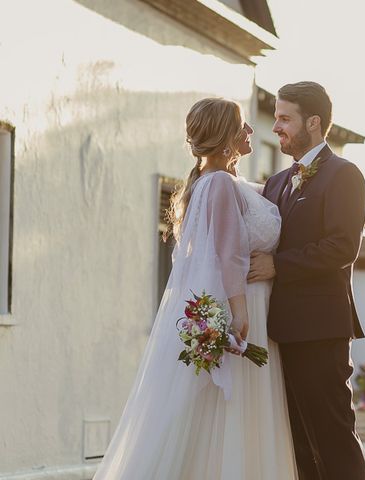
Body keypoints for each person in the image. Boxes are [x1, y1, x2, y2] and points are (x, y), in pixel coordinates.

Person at [93, 98, 297, 480]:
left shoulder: (219, 182)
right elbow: (228, 254)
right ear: (224, 139)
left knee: (219, 419)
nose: (251, 132)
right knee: (228, 419)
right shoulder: (218, 182)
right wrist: (239, 314)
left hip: (249, 303)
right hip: (245, 306)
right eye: (243, 126)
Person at [249, 81, 365, 480]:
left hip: (321, 329)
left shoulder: (344, 175)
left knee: (332, 436)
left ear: (313, 123)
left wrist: (278, 265)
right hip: (280, 329)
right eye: (277, 117)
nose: (276, 127)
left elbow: (342, 247)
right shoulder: (276, 183)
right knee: (297, 440)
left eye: (285, 118)